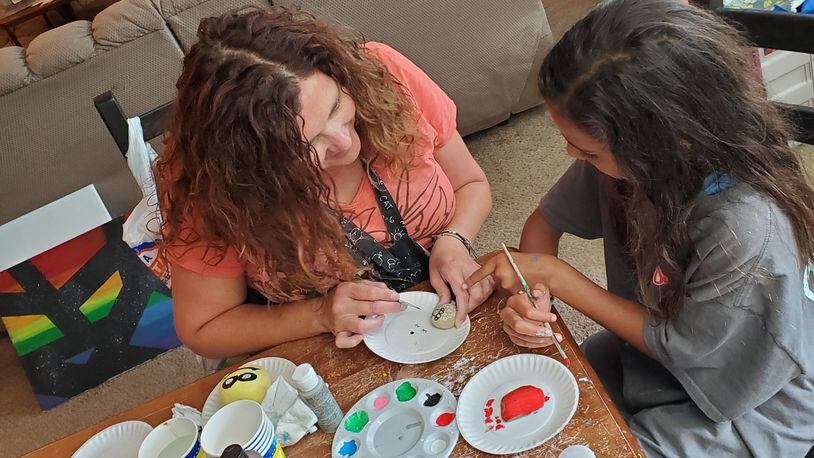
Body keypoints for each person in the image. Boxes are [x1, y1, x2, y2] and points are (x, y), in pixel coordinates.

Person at [466, 0, 814, 455]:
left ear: (667, 141)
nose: (573, 157)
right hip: (656, 354)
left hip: (748, 399)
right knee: (541, 402)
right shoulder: (629, 155)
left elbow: (688, 350)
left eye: (588, 152)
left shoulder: (746, 230)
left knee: (590, 444)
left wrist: (554, 277)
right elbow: (545, 222)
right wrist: (533, 299)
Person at [155, 6, 493, 358]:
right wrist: (318, 314)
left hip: (443, 302)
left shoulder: (383, 74)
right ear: (253, 167)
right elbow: (204, 328)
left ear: (340, 75)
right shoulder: (210, 186)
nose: (345, 143)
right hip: (332, 347)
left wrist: (454, 241)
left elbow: (470, 183)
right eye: (308, 144)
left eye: (335, 107)